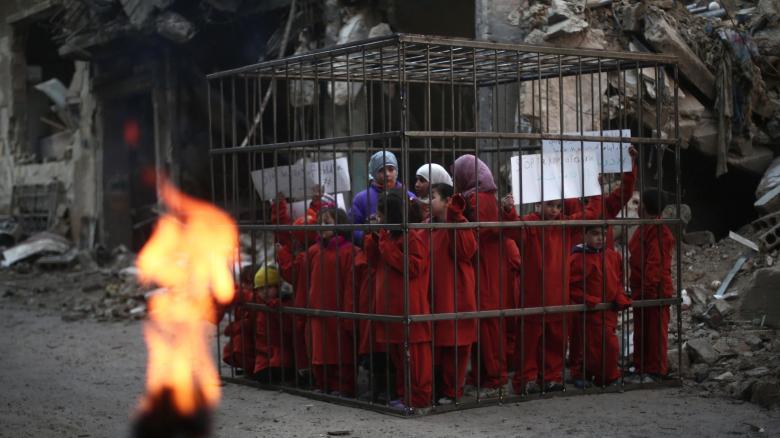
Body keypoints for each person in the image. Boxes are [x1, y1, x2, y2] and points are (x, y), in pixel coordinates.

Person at [500, 193, 602, 394]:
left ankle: (551, 377)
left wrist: (595, 193)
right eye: (549, 205)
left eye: (557, 206)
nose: (554, 210)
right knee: (528, 342)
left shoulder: (564, 223)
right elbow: (511, 229)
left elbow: (590, 214)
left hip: (557, 296)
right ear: (538, 204)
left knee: (556, 340)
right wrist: (508, 210)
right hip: (533, 297)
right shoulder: (530, 223)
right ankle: (525, 379)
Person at [364, 189, 432, 411]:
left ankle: (419, 398)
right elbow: (374, 263)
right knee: (399, 357)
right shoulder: (389, 236)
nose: (378, 218)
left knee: (415, 357)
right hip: (392, 308)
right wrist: (374, 240)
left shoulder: (412, 236)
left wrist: (385, 245)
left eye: (381, 214)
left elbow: (413, 267)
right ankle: (405, 395)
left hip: (409, 306)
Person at [451, 154, 506, 398]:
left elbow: (476, 233)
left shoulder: (478, 199)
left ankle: (493, 378)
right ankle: (483, 376)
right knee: (481, 322)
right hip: (484, 265)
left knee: (487, 323)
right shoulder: (476, 197)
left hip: (484, 267)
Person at [426, 183, 477, 405]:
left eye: (433, 196)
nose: (428, 201)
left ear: (448, 201)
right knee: (437, 344)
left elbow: (466, 252)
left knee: (456, 344)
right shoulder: (427, 226)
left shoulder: (458, 225)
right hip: (434, 293)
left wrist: (456, 220)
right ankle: (438, 389)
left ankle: (452, 390)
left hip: (455, 293)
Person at [305, 207, 364, 396]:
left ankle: (343, 386)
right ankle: (323, 383)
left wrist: (349, 311)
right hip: (318, 309)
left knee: (341, 350)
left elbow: (351, 285)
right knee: (320, 350)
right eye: (320, 222)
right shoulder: (313, 251)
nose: (322, 227)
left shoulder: (350, 252)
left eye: (327, 222)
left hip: (339, 309)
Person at [568, 226, 632, 387]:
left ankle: (606, 376)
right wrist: (586, 298)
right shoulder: (577, 259)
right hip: (589, 312)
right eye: (595, 234)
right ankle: (588, 375)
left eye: (603, 235)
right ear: (585, 234)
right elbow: (569, 286)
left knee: (608, 345)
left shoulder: (612, 256)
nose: (600, 238)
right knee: (588, 346)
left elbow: (617, 281)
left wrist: (619, 296)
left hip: (608, 310)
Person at [628, 189, 675, 383]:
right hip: (643, 290)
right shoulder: (645, 228)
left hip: (654, 292)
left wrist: (648, 290)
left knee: (654, 332)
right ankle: (641, 368)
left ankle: (655, 371)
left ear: (644, 207)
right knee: (642, 332)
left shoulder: (659, 232)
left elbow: (654, 265)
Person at [350, 150, 415, 244]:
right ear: (373, 173)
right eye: (381, 170)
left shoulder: (409, 196)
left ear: (397, 171)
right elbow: (352, 227)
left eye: (391, 169)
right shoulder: (361, 199)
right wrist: (367, 238)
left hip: (402, 250)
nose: (387, 174)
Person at [252, 264, 295, 382]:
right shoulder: (259, 303)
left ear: (278, 286)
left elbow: (289, 327)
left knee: (278, 370)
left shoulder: (286, 302)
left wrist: (277, 311)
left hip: (281, 349)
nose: (264, 292)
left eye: (269, 287)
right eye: (260, 288)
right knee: (262, 375)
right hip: (264, 351)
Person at [221, 265, 258, 374]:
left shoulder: (255, 298)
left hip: (253, 336)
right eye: (243, 283)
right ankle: (248, 368)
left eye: (248, 283)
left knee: (240, 344)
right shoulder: (242, 295)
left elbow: (250, 323)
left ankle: (252, 369)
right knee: (235, 346)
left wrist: (233, 327)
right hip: (243, 334)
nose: (244, 286)